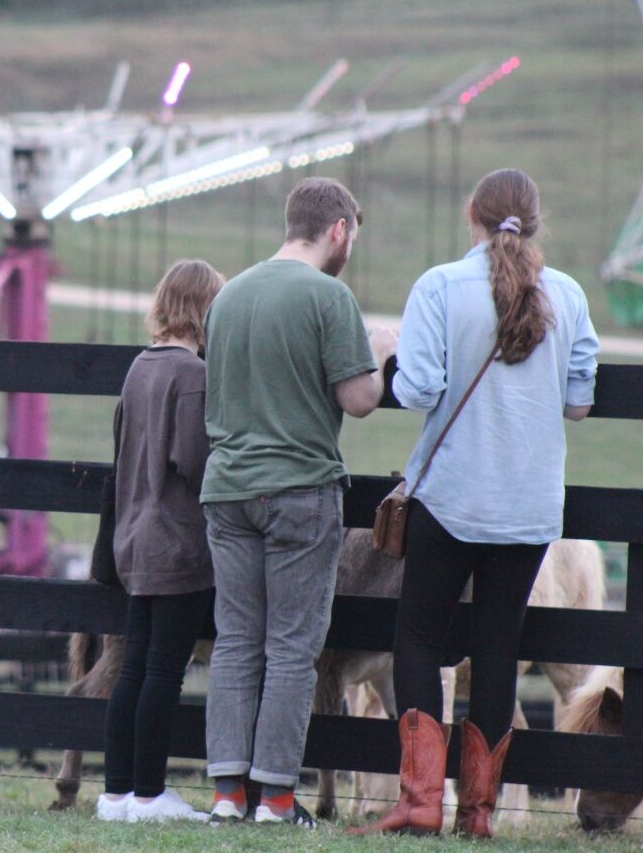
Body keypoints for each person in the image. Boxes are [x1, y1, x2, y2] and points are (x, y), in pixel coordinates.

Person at [352, 168, 599, 838]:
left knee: (419, 637)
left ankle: (420, 802)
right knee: (497, 645)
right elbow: (579, 403)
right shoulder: (569, 296)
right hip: (529, 508)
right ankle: (479, 812)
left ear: (474, 216)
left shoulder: (440, 287)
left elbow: (422, 391)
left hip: (453, 498)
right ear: (533, 220)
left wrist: (388, 357)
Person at [199, 178, 398, 827]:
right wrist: (378, 353)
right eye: (353, 239)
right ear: (338, 229)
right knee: (290, 650)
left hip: (227, 490)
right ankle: (277, 799)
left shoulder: (228, 296)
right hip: (299, 492)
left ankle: (228, 795)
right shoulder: (328, 296)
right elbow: (360, 400)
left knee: (234, 643)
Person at [97, 259, 225, 823]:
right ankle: (150, 794)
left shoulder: (138, 368)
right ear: (205, 309)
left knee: (132, 668)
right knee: (164, 672)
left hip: (134, 541)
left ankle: (116, 792)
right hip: (179, 545)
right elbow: (196, 463)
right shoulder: (193, 376)